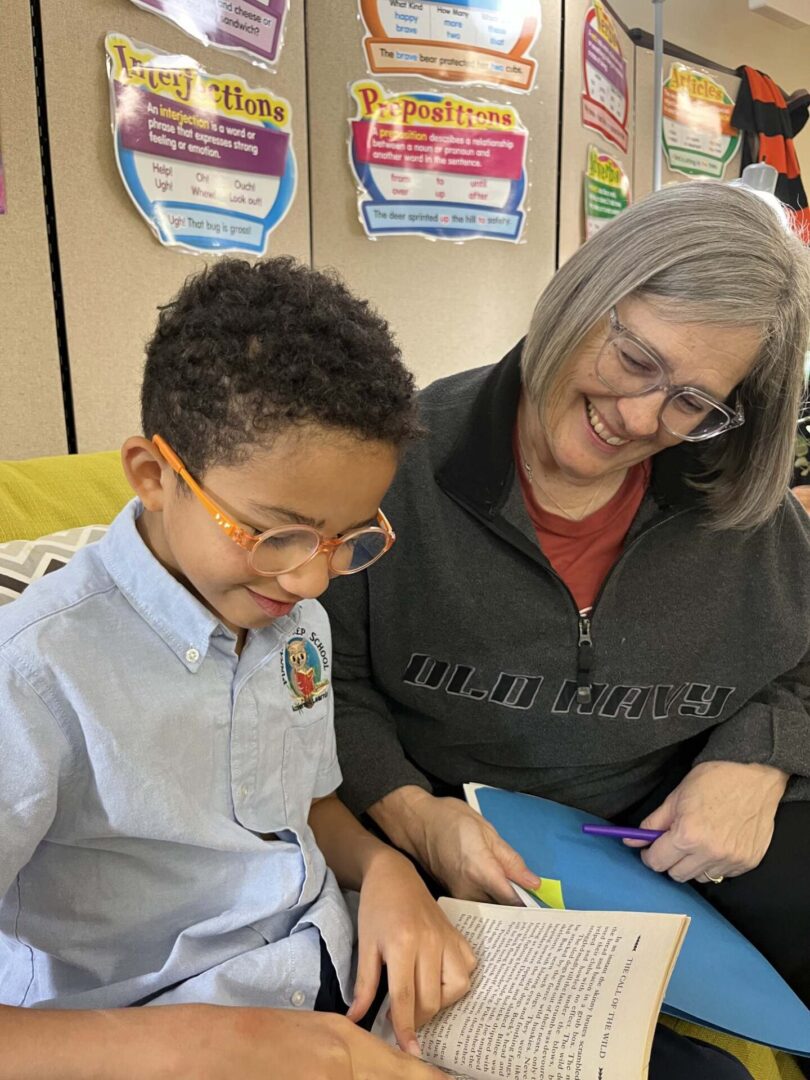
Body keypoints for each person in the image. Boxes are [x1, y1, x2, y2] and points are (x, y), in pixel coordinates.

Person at [323, 182, 810, 1080]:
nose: (639, 419)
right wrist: (415, 818)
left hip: (677, 830)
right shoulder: (397, 468)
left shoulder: (738, 502)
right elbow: (327, 689)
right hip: (476, 854)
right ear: (586, 292)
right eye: (634, 358)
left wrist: (761, 756)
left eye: (695, 401)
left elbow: (802, 660)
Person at [0, 258, 476, 1080]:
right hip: (149, 1041)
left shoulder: (295, 628)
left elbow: (302, 806)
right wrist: (218, 1045)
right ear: (155, 478)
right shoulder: (34, 674)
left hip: (333, 970)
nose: (311, 580)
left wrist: (385, 868)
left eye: (348, 539)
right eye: (276, 534)